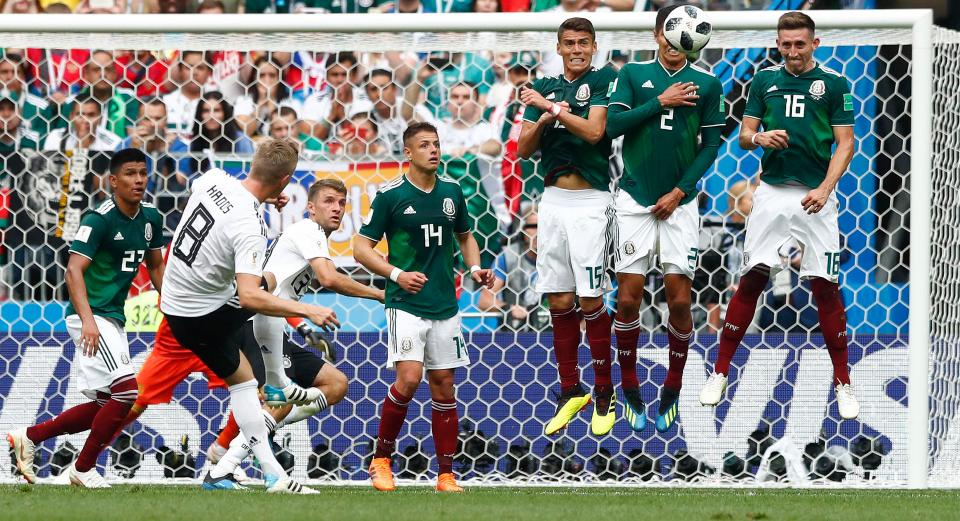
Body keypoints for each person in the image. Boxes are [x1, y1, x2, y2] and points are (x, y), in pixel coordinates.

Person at [698, 11, 859, 420]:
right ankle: (720, 372)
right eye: (785, 44)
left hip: (816, 196)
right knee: (752, 277)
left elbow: (845, 144)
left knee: (824, 285)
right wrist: (760, 137)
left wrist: (825, 189)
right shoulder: (764, 81)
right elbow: (745, 135)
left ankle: (843, 381)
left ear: (814, 44)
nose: (792, 52)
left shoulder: (836, 85)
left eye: (799, 44)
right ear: (778, 44)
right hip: (770, 193)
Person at [159, 138, 338, 494]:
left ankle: (260, 474)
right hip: (204, 312)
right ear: (286, 179)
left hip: (174, 300)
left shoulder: (213, 179)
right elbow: (250, 296)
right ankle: (278, 382)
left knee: (241, 381)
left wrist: (264, 196)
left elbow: (216, 197)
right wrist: (307, 309)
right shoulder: (251, 226)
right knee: (266, 288)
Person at [205, 178, 384, 479]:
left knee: (335, 384)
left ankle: (240, 442)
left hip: (274, 325)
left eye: (342, 202)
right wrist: (381, 293)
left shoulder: (313, 240)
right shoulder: (307, 230)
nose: (337, 208)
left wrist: (299, 324)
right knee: (280, 399)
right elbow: (329, 279)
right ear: (311, 208)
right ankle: (224, 467)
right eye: (329, 201)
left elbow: (278, 283)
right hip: (255, 322)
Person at [7, 149, 165, 487]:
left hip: (114, 317)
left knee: (108, 403)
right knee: (126, 393)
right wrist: (88, 320)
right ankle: (82, 469)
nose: (138, 180)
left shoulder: (151, 217)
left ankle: (30, 436)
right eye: (130, 174)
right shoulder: (99, 219)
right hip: (90, 317)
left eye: (143, 173)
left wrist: (171, 301)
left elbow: (155, 265)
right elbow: (72, 271)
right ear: (113, 181)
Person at [354, 122, 494, 493]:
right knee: (410, 378)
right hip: (405, 302)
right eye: (424, 145)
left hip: (445, 303)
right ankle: (381, 460)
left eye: (436, 144)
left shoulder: (452, 192)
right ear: (408, 153)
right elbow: (361, 249)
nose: (433, 150)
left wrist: (475, 268)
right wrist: (396, 274)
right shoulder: (390, 195)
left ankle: (446, 475)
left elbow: (465, 237)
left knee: (444, 385)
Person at [605, 4, 726, 433]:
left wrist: (680, 191)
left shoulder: (709, 83)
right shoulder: (633, 75)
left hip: (681, 203)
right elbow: (612, 126)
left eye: (685, 40)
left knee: (678, 299)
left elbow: (711, 146)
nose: (676, 47)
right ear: (659, 34)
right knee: (627, 299)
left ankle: (672, 388)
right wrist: (661, 101)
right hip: (635, 199)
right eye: (671, 36)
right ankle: (631, 388)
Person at [517, 17, 619, 437]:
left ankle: (604, 391)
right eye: (569, 43)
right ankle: (569, 389)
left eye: (583, 43)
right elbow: (523, 150)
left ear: (594, 47)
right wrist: (542, 118)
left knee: (591, 299)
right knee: (558, 301)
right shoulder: (544, 87)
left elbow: (596, 132)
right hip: (553, 202)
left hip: (593, 201)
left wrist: (551, 109)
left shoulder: (605, 80)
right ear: (558, 48)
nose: (576, 49)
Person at [478, 207, 547, 331]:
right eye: (533, 226)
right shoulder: (508, 257)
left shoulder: (558, 260)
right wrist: (509, 308)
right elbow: (484, 301)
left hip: (549, 333)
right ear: (522, 230)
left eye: (543, 226)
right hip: (513, 334)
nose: (539, 232)